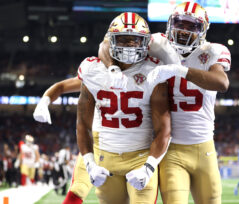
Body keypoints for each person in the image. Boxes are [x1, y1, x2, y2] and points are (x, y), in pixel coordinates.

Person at [99, 2, 230, 204]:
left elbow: (221, 83)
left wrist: (180, 70)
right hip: (171, 150)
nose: (184, 30)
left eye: (191, 26)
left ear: (202, 29)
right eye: (179, 23)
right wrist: (111, 68)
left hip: (204, 146)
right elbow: (106, 44)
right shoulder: (158, 43)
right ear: (170, 23)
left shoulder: (213, 51)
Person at [76, 12, 171, 204]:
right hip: (106, 157)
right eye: (123, 39)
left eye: (135, 40)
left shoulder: (154, 71)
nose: (129, 45)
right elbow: (82, 124)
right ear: (110, 41)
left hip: (141, 157)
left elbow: (164, 129)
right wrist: (90, 164)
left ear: (145, 42)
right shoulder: (92, 70)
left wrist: (149, 167)